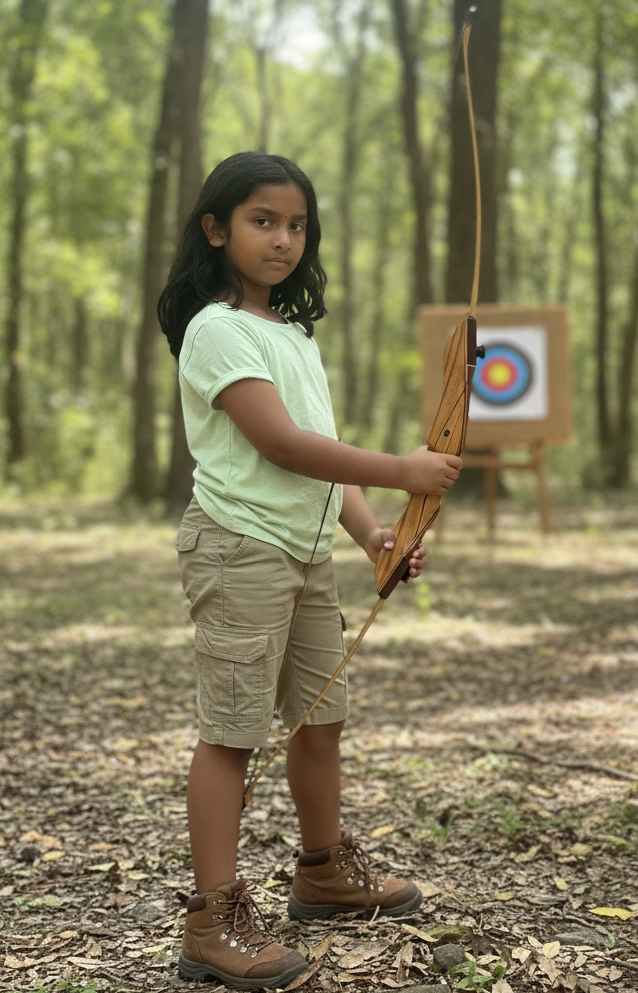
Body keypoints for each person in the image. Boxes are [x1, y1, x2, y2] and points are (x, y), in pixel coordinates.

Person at [158, 151, 462, 990]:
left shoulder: (292, 333)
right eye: (262, 221)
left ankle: (321, 869)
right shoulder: (216, 329)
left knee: (320, 717)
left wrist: (373, 537)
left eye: (296, 225)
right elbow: (281, 445)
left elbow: (323, 465)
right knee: (232, 731)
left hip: (305, 551)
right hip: (239, 546)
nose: (282, 239)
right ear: (216, 230)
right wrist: (403, 471)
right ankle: (210, 918)